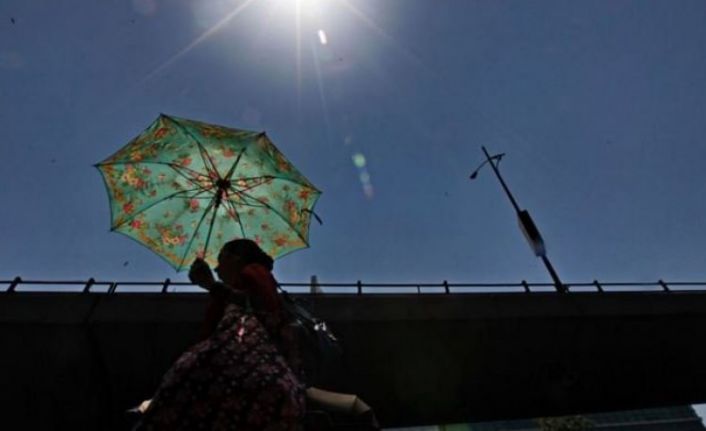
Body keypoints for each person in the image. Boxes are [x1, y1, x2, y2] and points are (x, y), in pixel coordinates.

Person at [134, 239, 305, 431]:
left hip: (249, 371)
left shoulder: (255, 272)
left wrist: (211, 285)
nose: (216, 267)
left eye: (220, 258)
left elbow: (263, 304)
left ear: (236, 258)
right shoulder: (225, 296)